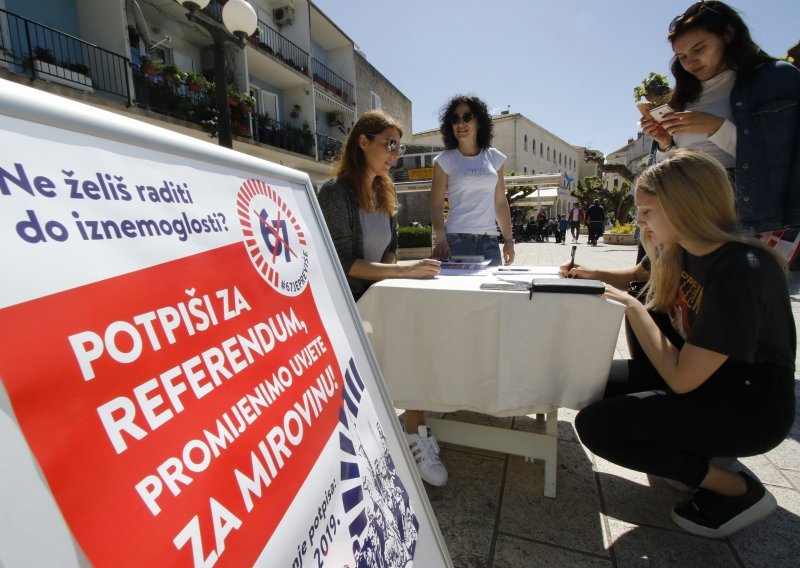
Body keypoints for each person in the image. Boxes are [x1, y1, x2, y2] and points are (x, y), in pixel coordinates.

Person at [574, 150, 796, 538]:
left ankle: (739, 490)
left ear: (684, 208)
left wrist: (631, 307)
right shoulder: (682, 248)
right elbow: (636, 276)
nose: (637, 220)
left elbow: (681, 380)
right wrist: (591, 274)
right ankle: (694, 452)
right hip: (708, 382)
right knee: (585, 383)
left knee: (597, 427)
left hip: (747, 407)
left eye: (646, 211)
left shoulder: (742, 272)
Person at [317, 110, 448, 487]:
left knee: (419, 333)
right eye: (389, 144)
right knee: (408, 345)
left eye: (399, 146)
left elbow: (388, 251)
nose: (395, 153)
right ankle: (404, 436)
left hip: (375, 297)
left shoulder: (382, 190)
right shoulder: (335, 192)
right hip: (346, 305)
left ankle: (412, 431)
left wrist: (396, 277)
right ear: (363, 142)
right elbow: (344, 263)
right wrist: (404, 272)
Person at [640, 0, 800, 239]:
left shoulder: (775, 79)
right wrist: (665, 144)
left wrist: (715, 127)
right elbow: (673, 169)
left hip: (747, 219)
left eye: (699, 49)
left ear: (728, 34)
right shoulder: (684, 96)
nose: (690, 62)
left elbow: (780, 160)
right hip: (686, 213)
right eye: (682, 56)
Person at [430, 95, 515, 266]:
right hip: (455, 241)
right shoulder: (444, 160)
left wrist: (509, 241)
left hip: (490, 241)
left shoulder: (494, 158)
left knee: (492, 291)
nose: (461, 123)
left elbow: (499, 203)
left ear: (479, 121)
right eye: (455, 119)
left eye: (467, 117)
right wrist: (441, 240)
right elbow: (435, 204)